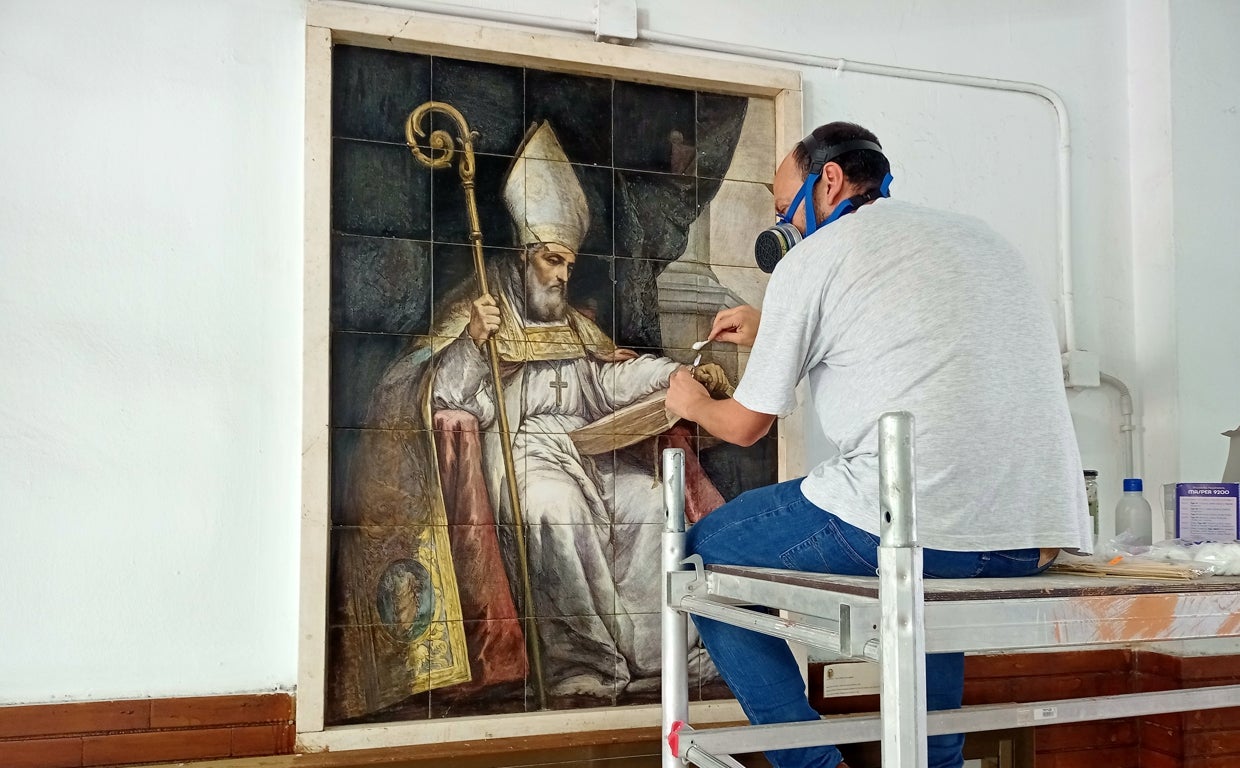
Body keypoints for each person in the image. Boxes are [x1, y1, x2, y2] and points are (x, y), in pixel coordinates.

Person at [665, 121, 1091, 768]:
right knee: (927, 589)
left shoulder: (810, 259)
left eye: (784, 208)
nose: (784, 224)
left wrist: (692, 403)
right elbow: (909, 344)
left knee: (701, 554)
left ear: (827, 180)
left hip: (914, 528)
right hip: (1030, 535)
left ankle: (809, 763)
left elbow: (746, 425)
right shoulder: (982, 240)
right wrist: (774, 327)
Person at [428, 121, 727, 702]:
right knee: (552, 509)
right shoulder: (482, 313)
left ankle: (662, 655)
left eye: (568, 262)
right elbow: (444, 397)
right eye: (552, 260)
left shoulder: (575, 325)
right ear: (524, 257)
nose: (564, 274)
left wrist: (674, 374)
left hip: (587, 451)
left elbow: (613, 379)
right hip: (522, 458)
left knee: (647, 503)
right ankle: (582, 666)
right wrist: (471, 342)